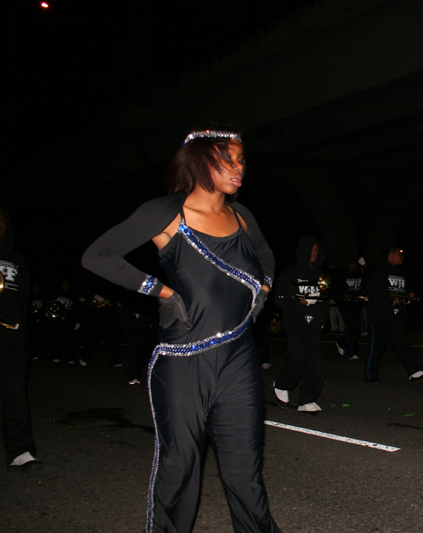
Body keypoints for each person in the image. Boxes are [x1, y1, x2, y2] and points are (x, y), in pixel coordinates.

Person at [82, 126, 280, 533]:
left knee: (245, 472)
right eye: (230, 157)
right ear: (202, 159)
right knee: (180, 468)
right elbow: (97, 255)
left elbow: (265, 253)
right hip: (184, 363)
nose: (239, 167)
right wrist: (159, 290)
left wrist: (264, 286)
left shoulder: (241, 216)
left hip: (239, 361)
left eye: (243, 160)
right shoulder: (166, 212)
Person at [0, 203, 41, 471]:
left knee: (16, 395)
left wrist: (22, 333)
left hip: (10, 341)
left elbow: (23, 297)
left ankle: (20, 451)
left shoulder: (17, 258)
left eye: (0, 218)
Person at [272, 236, 328, 414]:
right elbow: (279, 298)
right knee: (297, 358)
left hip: (313, 325)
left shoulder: (320, 275)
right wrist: (299, 303)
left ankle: (307, 400)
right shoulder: (290, 273)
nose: (314, 253)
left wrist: (322, 321)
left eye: (317, 250)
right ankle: (281, 384)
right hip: (295, 323)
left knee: (314, 363)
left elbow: (324, 300)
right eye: (311, 250)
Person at [363, 247, 423, 384]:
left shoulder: (400, 273)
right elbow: (371, 293)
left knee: (402, 344)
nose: (402, 256)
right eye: (399, 254)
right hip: (380, 317)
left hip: (397, 317)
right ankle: (370, 374)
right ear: (390, 255)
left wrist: (411, 294)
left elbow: (404, 290)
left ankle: (414, 371)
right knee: (376, 348)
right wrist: (388, 301)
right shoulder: (379, 272)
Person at [335, 258, 366, 360]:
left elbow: (367, 280)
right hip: (346, 306)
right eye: (351, 264)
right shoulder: (342, 275)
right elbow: (337, 290)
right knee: (352, 327)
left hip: (356, 305)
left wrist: (364, 266)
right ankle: (352, 353)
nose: (353, 266)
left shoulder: (359, 274)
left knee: (356, 328)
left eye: (354, 264)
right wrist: (343, 297)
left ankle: (342, 343)